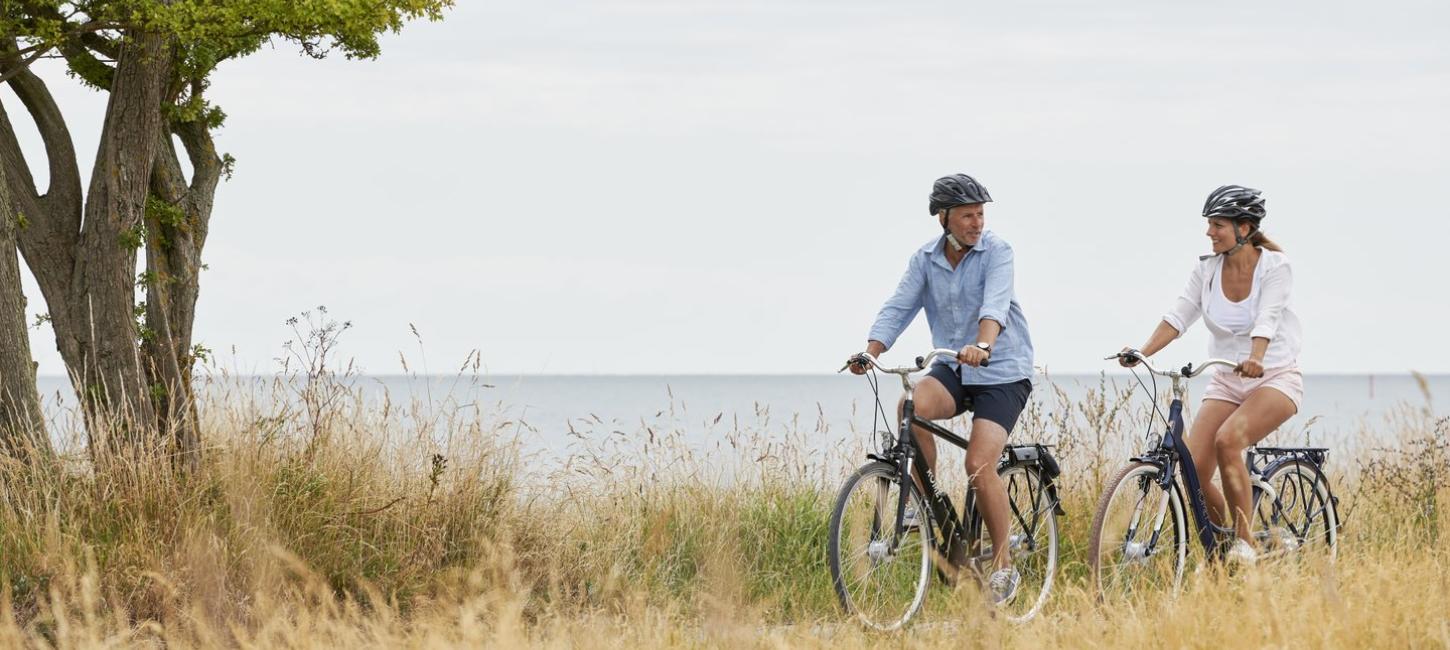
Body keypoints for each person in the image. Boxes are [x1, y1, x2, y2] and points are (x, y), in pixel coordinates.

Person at [849, 173, 1035, 604]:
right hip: (955, 366)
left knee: (977, 463)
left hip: (1002, 370)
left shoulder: (997, 252)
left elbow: (995, 306)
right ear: (944, 218)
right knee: (909, 409)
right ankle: (923, 497)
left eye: (981, 214)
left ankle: (1004, 566)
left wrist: (984, 344)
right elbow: (899, 306)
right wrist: (871, 352)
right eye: (968, 215)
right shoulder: (925, 260)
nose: (977, 222)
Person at [1119, 184, 1303, 565]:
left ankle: (1245, 542)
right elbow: (1179, 315)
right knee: (1194, 469)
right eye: (1209, 224)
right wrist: (1141, 351)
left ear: (1245, 228)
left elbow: (1267, 317)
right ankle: (1224, 551)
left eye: (1218, 225)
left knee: (1228, 441)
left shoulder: (1275, 267)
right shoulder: (1206, 270)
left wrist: (1256, 357)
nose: (1209, 232)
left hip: (1274, 378)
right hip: (1225, 380)